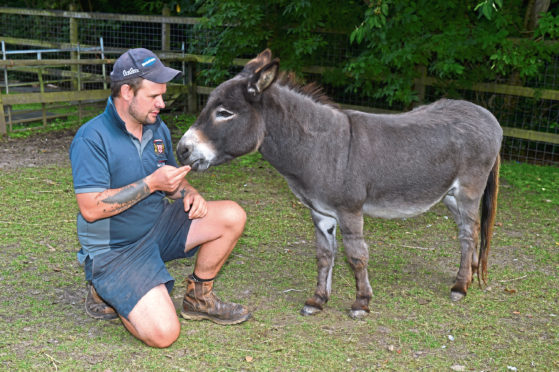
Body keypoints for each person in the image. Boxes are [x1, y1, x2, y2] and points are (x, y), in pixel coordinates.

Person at [69, 48, 251, 348]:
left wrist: (190, 193)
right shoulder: (92, 138)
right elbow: (91, 208)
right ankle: (107, 288)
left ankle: (199, 298)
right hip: (116, 250)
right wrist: (151, 184)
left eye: (162, 95)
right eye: (154, 96)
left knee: (231, 215)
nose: (162, 103)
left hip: (158, 227)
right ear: (127, 92)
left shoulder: (157, 128)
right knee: (164, 334)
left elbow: (170, 181)